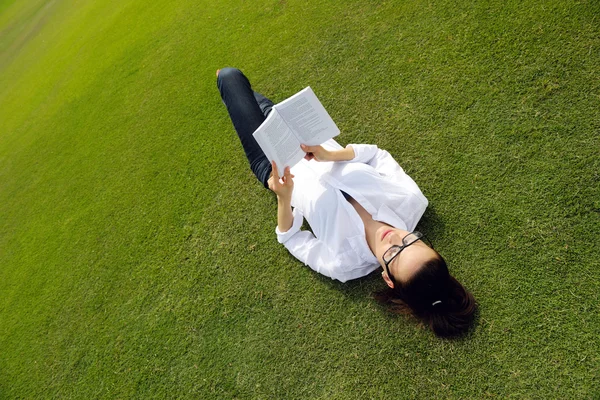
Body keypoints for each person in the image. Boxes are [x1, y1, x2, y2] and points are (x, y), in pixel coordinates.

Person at [216, 67, 476, 338]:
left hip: (272, 163)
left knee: (229, 78)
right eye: (412, 241)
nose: (395, 240)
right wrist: (331, 155)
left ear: (388, 279)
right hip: (308, 137)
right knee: (256, 101)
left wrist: (283, 197)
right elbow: (377, 156)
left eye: (395, 256)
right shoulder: (411, 201)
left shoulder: (344, 264)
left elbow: (292, 240)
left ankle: (232, 87)